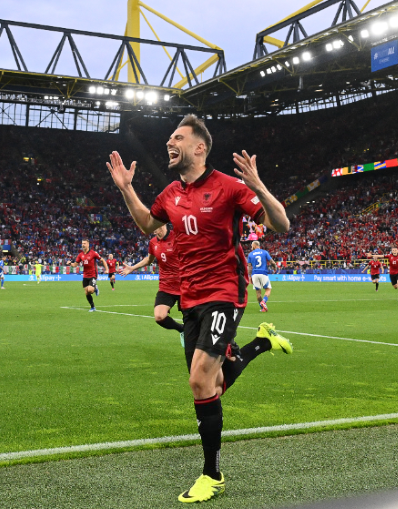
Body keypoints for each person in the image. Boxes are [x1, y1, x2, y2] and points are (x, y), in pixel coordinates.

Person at [107, 114, 293, 503]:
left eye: (178, 137)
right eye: (170, 138)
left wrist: (258, 186)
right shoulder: (170, 193)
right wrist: (126, 188)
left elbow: (281, 224)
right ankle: (261, 343)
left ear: (199, 147)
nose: (169, 143)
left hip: (225, 291)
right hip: (189, 298)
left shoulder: (229, 187)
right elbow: (147, 225)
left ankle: (212, 474)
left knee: (199, 380)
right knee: (211, 385)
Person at [119, 224, 184, 343]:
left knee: (192, 321)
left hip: (183, 286)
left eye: (154, 225)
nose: (151, 228)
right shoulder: (153, 242)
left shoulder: (177, 237)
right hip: (166, 286)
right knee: (159, 316)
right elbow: (149, 260)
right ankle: (181, 329)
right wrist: (132, 268)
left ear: (162, 224)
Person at [67, 239, 109, 312]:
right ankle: (93, 307)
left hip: (93, 274)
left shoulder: (93, 253)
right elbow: (75, 264)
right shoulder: (80, 255)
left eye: (84, 243)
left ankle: (95, 288)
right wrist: (70, 263)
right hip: (85, 275)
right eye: (82, 243)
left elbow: (102, 260)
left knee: (90, 290)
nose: (83, 245)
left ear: (88, 244)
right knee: (87, 292)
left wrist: (107, 269)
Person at [247, 240, 277, 312]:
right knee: (268, 289)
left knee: (258, 292)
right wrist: (275, 267)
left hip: (254, 274)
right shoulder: (264, 252)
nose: (251, 247)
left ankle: (263, 308)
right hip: (263, 273)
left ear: (254, 246)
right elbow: (272, 262)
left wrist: (250, 276)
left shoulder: (250, 254)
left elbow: (249, 267)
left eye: (252, 246)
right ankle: (264, 301)